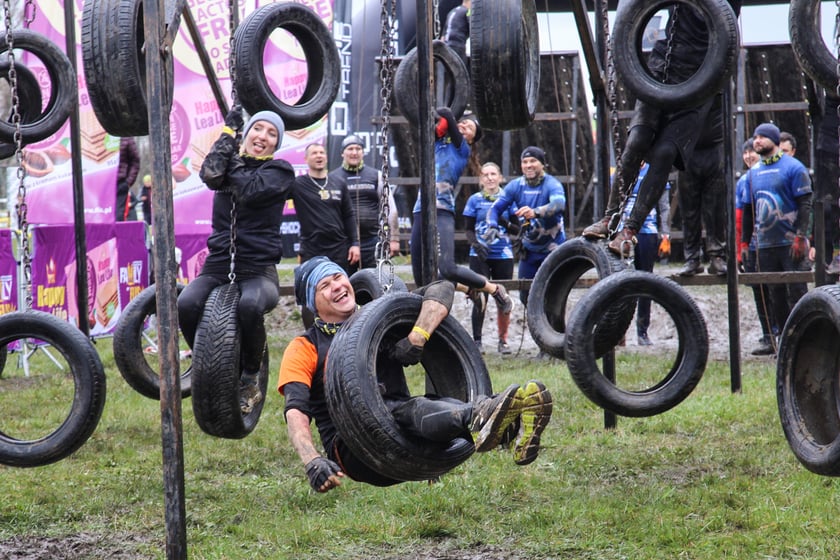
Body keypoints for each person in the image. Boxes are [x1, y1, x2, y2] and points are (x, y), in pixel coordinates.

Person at [278, 256, 554, 492]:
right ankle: (484, 416)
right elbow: (295, 411)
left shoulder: (380, 320)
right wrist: (311, 459)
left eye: (338, 277)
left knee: (418, 407)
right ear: (313, 303)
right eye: (324, 286)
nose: (337, 286)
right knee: (410, 409)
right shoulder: (304, 346)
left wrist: (416, 336)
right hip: (357, 451)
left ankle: (512, 428)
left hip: (407, 429)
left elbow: (441, 288)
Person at [582, 1, 741, 258]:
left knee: (665, 153)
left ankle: (629, 230)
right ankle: (609, 218)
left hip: (701, 80)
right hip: (662, 66)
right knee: (637, 141)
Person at [177, 107, 295, 413]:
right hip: (218, 264)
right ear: (247, 133)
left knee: (250, 306)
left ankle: (250, 376)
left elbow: (249, 190)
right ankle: (207, 364)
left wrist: (231, 160)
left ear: (275, 144)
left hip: (257, 269)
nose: (263, 137)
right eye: (258, 129)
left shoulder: (280, 172)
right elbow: (209, 173)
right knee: (187, 304)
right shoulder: (232, 162)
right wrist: (228, 134)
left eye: (271, 134)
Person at [410, 107, 514, 316]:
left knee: (447, 268)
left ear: (472, 138)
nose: (465, 126)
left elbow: (447, 112)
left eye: (470, 127)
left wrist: (451, 115)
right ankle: (469, 290)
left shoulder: (462, 149)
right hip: (420, 209)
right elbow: (430, 118)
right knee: (421, 280)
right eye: (464, 123)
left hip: (442, 210)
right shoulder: (436, 141)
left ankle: (494, 289)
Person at [739, 123, 813, 356]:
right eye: (755, 137)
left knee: (797, 292)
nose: (757, 141)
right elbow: (748, 211)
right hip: (764, 246)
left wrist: (801, 236)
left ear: (773, 140)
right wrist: (744, 244)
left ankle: (807, 340)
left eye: (761, 137)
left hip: (790, 244)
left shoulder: (793, 168)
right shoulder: (752, 174)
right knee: (774, 295)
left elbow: (805, 204)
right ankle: (783, 341)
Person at [486, 146, 566, 308]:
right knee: (525, 297)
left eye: (533, 161)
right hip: (529, 250)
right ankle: (535, 329)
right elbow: (495, 208)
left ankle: (554, 329)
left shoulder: (551, 183)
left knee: (554, 297)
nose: (528, 165)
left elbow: (559, 204)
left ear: (542, 164)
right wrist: (492, 226)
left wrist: (535, 212)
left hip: (553, 249)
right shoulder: (516, 186)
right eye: (525, 162)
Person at [463, 162, 517, 355]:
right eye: (485, 175)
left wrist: (504, 221)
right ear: (480, 179)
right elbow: (468, 229)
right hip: (479, 256)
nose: (490, 178)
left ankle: (503, 341)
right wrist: (476, 245)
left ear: (500, 177)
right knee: (480, 297)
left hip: (503, 255)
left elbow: (518, 229)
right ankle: (477, 342)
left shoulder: (508, 199)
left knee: (503, 297)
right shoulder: (474, 200)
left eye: (493, 174)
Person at [616, 162, 671, 346]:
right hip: (622, 234)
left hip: (647, 232)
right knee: (620, 283)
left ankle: (642, 331)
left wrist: (666, 235)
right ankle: (618, 332)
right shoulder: (620, 170)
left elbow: (664, 207)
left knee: (645, 282)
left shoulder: (656, 170)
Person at [329, 134, 400, 269]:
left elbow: (390, 208)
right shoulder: (333, 178)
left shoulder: (376, 175)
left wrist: (394, 239)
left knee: (374, 284)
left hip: (372, 240)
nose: (354, 152)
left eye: (358, 149)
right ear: (342, 153)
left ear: (363, 153)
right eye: (350, 149)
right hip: (343, 242)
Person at [676, 95, 728, 277]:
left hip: (714, 148)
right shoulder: (682, 81)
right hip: (688, 150)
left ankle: (717, 256)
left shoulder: (715, 76)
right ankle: (692, 258)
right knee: (689, 210)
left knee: (715, 209)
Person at [735, 137, 776, 355]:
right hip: (751, 244)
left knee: (776, 288)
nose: (749, 156)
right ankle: (768, 333)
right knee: (759, 290)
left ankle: (778, 332)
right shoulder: (744, 180)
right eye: (745, 152)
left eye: (752, 151)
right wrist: (740, 248)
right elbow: (741, 218)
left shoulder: (766, 173)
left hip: (771, 242)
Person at [293, 143, 360, 274]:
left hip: (339, 249)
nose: (319, 156)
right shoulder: (297, 184)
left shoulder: (339, 182)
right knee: (311, 287)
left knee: (340, 287)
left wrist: (355, 244)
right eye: (314, 153)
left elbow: (348, 215)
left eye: (321, 153)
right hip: (311, 249)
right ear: (306, 159)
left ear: (326, 157)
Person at [116, 136, 140, 222]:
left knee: (118, 215)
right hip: (101, 183)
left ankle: (118, 235)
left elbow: (135, 160)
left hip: (120, 183)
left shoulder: (126, 137)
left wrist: (128, 181)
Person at [442, 0, 470, 69]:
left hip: (446, 46)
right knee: (461, 71)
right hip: (458, 47)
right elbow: (473, 29)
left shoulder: (452, 11)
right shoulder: (467, 12)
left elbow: (442, 36)